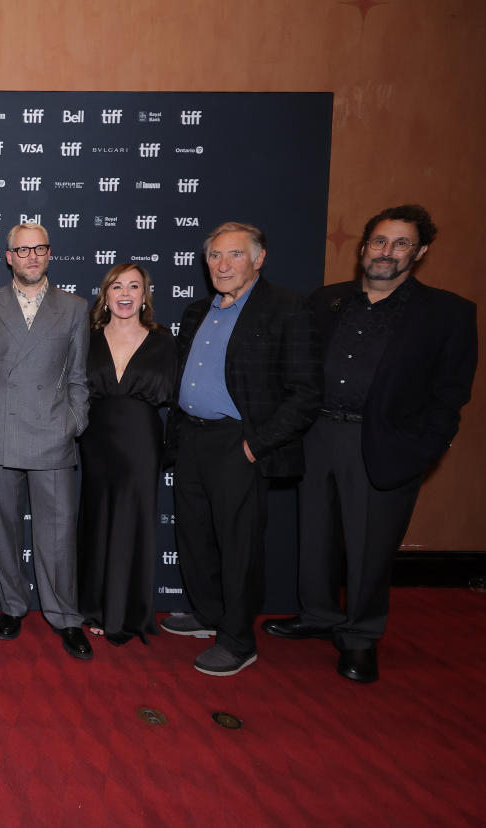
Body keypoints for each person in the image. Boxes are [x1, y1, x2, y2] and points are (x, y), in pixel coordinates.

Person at [264, 205, 477, 683]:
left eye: (401, 244)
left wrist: (425, 449)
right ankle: (318, 615)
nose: (387, 252)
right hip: (317, 433)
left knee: (370, 546)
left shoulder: (448, 313)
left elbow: (451, 392)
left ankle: (360, 636)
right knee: (314, 533)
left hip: (382, 442)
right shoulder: (327, 301)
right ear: (363, 248)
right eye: (379, 241)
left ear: (419, 252)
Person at [164, 222, 321, 676]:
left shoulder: (287, 309)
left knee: (238, 546)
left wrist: (256, 445)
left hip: (240, 442)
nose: (223, 265)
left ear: (258, 258)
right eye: (215, 256)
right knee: (194, 536)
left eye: (234, 255)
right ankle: (208, 613)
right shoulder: (199, 311)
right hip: (193, 438)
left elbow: (306, 392)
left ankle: (237, 640)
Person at [0, 222, 94, 660]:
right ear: (9, 257)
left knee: (58, 534)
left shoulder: (75, 307)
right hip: (2, 434)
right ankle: (13, 605)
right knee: (3, 529)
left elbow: (79, 375)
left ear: (48, 253)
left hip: (53, 434)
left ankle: (65, 616)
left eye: (38, 249)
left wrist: (74, 422)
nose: (30, 257)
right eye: (21, 250)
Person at [78, 264, 178, 646]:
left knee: (133, 522)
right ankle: (97, 606)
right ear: (105, 294)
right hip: (97, 439)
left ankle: (126, 612)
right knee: (98, 518)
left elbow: (176, 397)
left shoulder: (163, 340)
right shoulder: (88, 338)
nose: (125, 293)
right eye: (116, 286)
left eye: (133, 286)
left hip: (141, 441)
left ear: (144, 294)